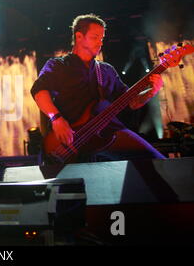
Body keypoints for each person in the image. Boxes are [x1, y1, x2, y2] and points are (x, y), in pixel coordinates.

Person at [30, 13, 165, 167]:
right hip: (71, 139)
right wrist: (56, 119)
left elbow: (131, 103)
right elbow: (39, 91)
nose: (100, 43)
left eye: (101, 38)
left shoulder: (106, 70)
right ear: (79, 37)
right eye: (95, 37)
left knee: (158, 164)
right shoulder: (58, 65)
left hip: (110, 132)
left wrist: (151, 92)